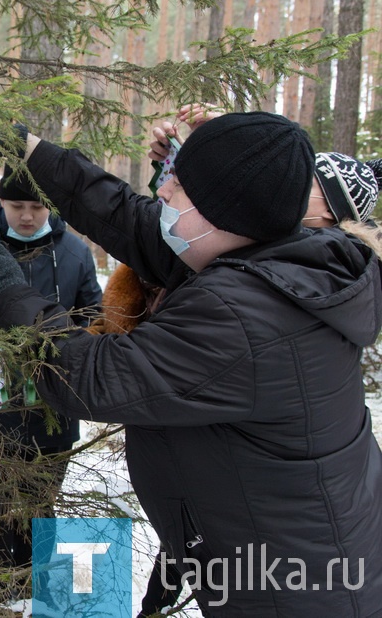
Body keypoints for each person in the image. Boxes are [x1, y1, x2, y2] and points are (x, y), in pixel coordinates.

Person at [0, 112, 382, 616]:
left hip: (297, 592)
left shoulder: (245, 316)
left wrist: (2, 288)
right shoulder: (268, 258)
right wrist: (23, 144)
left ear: (226, 213)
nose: (164, 189)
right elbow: (123, 214)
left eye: (182, 184)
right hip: (281, 561)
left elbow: (87, 376)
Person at [128, 107, 382, 617]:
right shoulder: (291, 270)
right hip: (246, 528)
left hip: (300, 579)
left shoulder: (281, 294)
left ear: (331, 218)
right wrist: (195, 162)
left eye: (303, 185)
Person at [0, 166, 101, 603]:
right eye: (16, 206)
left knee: (40, 500)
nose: (26, 216)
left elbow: (93, 314)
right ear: (0, 203)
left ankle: (38, 586)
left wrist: (75, 336)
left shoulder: (75, 254)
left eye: (36, 207)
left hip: (52, 407)